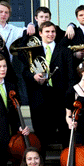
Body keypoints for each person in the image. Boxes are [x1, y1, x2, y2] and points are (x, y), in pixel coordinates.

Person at [22, 20, 74, 148]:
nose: (50, 34)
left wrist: (69, 99)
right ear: (40, 33)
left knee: (65, 137)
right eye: (47, 32)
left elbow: (71, 77)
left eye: (53, 32)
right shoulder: (33, 51)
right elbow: (24, 72)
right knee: (41, 140)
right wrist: (34, 76)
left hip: (60, 100)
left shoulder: (65, 51)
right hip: (40, 101)